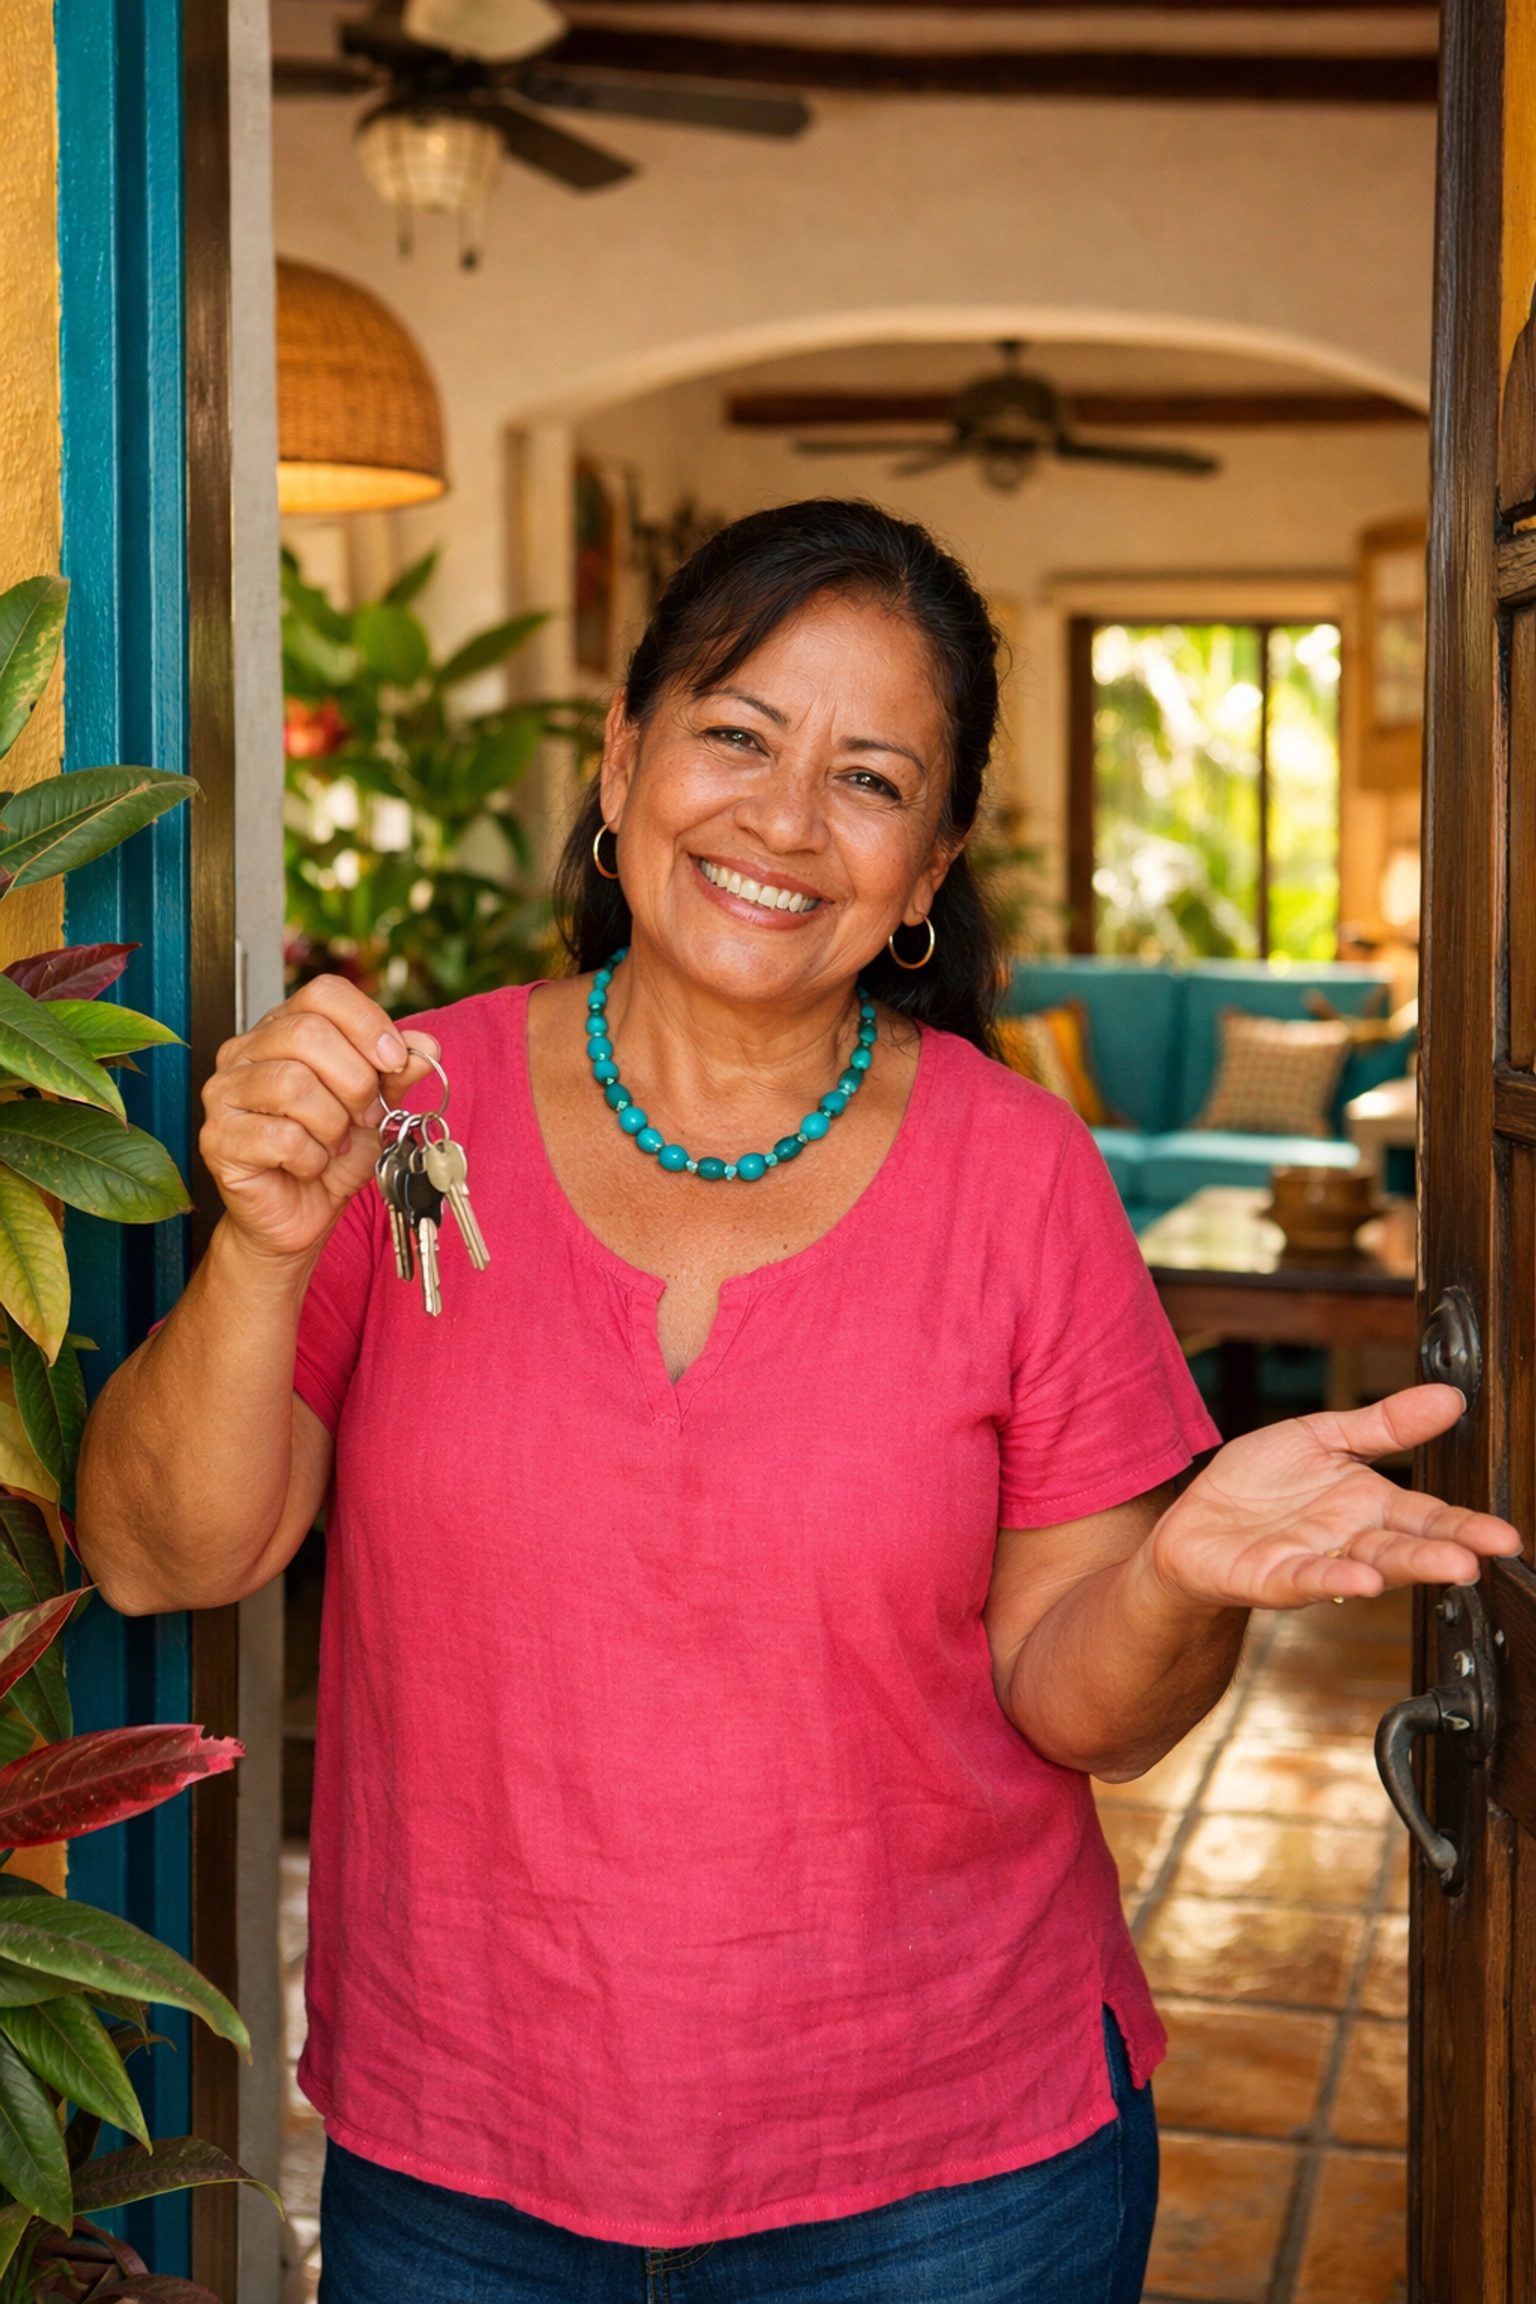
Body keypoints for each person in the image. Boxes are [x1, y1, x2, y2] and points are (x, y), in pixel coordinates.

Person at [77, 500, 1517, 2304]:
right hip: (462, 2164)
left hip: (952, 2186)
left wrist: (1175, 1583)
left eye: (870, 780)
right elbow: (157, 1557)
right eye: (739, 735)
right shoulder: (405, 1114)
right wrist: (268, 1245)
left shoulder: (1019, 1174)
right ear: (623, 760)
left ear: (928, 869)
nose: (783, 820)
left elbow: (1087, 1709)